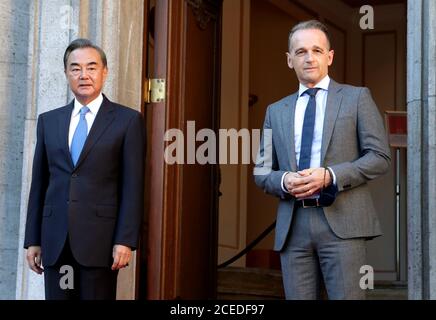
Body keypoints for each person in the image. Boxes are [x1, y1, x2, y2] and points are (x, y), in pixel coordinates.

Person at [254, 20, 391, 299]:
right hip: (294, 229)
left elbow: (379, 157)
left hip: (344, 225)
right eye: (301, 51)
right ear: (289, 60)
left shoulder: (357, 98)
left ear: (329, 56)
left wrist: (330, 175)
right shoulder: (275, 111)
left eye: (317, 50)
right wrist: (283, 179)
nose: (309, 57)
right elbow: (262, 171)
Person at [24, 38, 145, 300]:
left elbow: (132, 186)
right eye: (75, 68)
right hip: (55, 241)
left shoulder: (128, 121)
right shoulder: (49, 121)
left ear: (105, 72)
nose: (84, 75)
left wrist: (125, 240)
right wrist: (33, 239)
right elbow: (40, 183)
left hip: (100, 243)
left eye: (91, 67)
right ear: (67, 73)